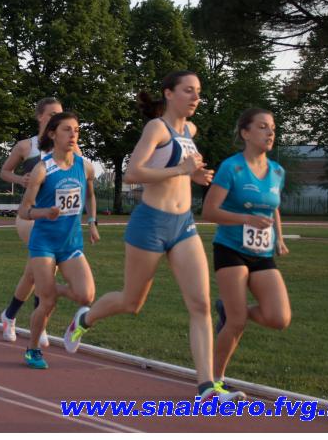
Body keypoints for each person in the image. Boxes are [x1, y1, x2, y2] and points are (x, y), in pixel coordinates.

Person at [63, 71, 241, 401]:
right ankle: (84, 318)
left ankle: (206, 386)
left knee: (201, 304)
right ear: (169, 94)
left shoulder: (190, 130)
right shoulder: (157, 128)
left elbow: (180, 172)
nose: (195, 97)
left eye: (198, 91)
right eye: (188, 90)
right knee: (132, 302)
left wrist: (195, 175)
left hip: (183, 224)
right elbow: (133, 173)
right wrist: (181, 170)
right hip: (150, 223)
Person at [201, 108, 290, 397]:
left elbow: (273, 206)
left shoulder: (277, 171)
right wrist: (245, 219)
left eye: (272, 127)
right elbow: (209, 211)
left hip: (262, 252)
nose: (270, 132)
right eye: (263, 127)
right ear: (246, 133)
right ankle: (215, 381)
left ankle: (229, 309)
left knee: (279, 318)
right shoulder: (232, 168)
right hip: (230, 249)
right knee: (237, 323)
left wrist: (279, 237)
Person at [18, 112, 98, 369]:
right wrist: (44, 212)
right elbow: (24, 211)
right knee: (48, 302)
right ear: (53, 134)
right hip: (44, 243)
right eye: (67, 129)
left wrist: (92, 221)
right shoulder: (42, 169)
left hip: (70, 243)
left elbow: (90, 196)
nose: (73, 134)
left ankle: (69, 315)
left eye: (77, 130)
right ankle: (32, 349)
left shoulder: (85, 166)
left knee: (86, 296)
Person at [0, 97, 75, 347]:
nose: (57, 118)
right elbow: (4, 171)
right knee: (45, 269)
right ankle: (37, 325)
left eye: (60, 114)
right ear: (40, 117)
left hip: (57, 218)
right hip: (30, 216)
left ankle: (10, 315)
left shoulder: (69, 147)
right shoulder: (26, 146)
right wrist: (21, 180)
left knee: (33, 273)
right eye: (52, 114)